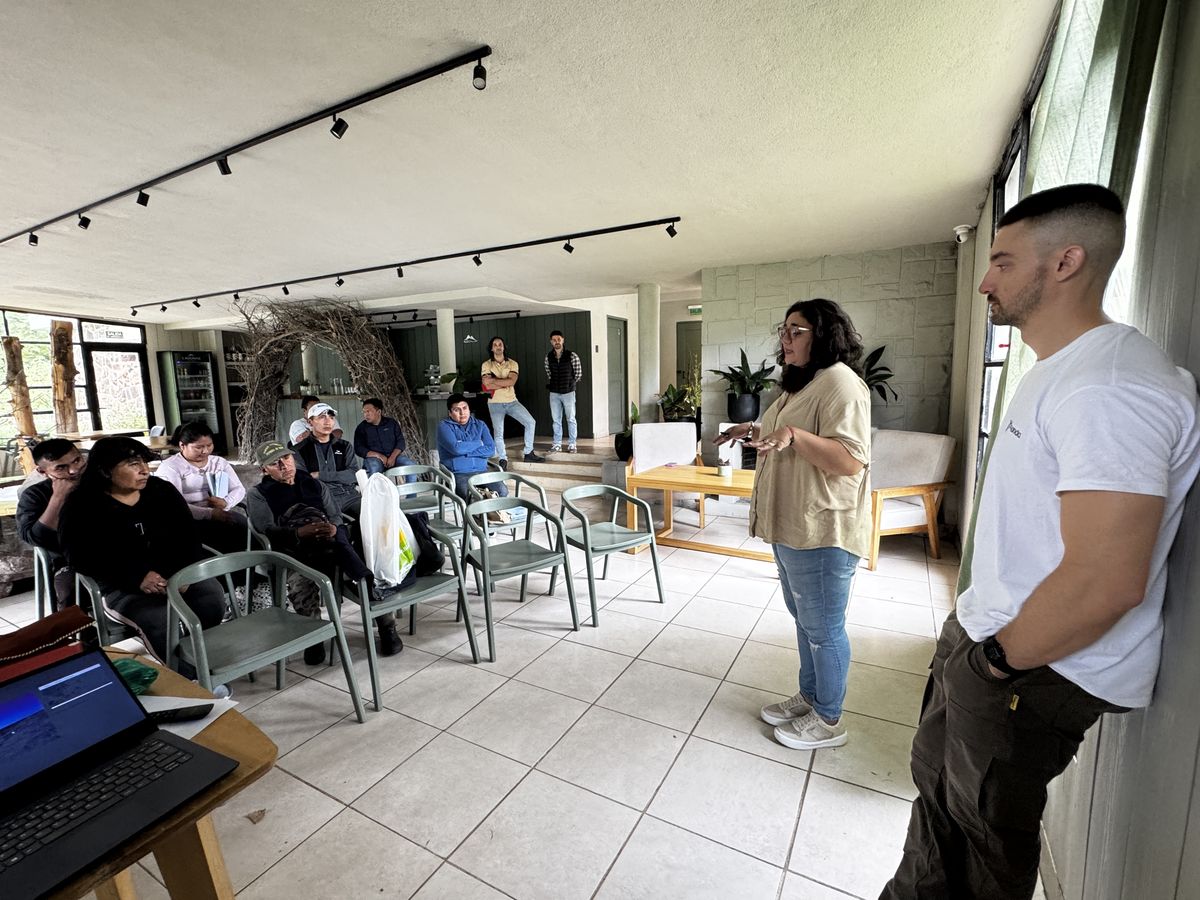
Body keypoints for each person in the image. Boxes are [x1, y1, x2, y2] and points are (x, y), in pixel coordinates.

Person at [881, 184, 1200, 900]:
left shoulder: (1110, 388)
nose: (986, 282)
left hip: (1032, 668)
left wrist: (993, 663)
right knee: (939, 801)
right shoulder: (1063, 370)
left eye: (1002, 261)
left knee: (982, 845)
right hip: (993, 638)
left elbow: (1105, 580)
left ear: (1065, 262)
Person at [715, 298, 871, 751]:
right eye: (783, 329)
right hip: (793, 526)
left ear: (823, 335)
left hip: (822, 529)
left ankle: (829, 719)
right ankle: (811, 697)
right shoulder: (804, 383)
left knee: (823, 628)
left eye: (796, 330)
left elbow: (850, 460)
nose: (785, 338)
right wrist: (751, 431)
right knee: (805, 621)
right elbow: (783, 434)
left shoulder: (841, 383)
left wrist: (794, 436)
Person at [57, 436, 226, 668]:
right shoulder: (82, 505)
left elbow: (188, 536)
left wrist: (179, 574)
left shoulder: (161, 491)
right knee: (159, 618)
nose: (144, 470)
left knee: (212, 598)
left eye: (145, 463)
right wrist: (136, 577)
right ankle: (187, 676)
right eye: (133, 464)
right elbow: (80, 556)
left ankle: (203, 660)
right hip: (122, 585)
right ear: (105, 470)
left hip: (175, 575)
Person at [246, 440, 403, 663]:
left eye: (286, 458)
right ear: (264, 470)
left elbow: (335, 515)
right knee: (301, 586)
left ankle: (387, 625)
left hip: (328, 543)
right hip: (292, 550)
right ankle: (315, 636)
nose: (284, 465)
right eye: (275, 463)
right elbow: (266, 530)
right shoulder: (259, 494)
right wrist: (299, 533)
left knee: (362, 574)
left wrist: (334, 528)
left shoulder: (313, 484)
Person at [154, 420, 248, 553]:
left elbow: (239, 489)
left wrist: (226, 502)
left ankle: (243, 563)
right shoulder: (170, 467)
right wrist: (210, 514)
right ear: (182, 445)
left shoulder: (219, 462)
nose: (205, 451)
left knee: (243, 527)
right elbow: (175, 504)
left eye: (209, 445)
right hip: (186, 517)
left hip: (219, 511)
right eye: (198, 447)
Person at [16, 438, 87, 609]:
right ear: (42, 471)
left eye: (77, 460)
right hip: (68, 561)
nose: (74, 470)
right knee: (71, 589)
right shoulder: (34, 495)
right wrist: (58, 497)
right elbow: (35, 538)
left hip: (113, 551)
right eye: (61, 468)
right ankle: (80, 628)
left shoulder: (100, 483)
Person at [481, 336, 544, 466]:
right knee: (498, 433)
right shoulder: (486, 364)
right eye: (495, 345)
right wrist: (504, 383)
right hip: (494, 403)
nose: (498, 347)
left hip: (512, 401)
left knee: (530, 422)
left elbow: (512, 381)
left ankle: (528, 453)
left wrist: (495, 381)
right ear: (491, 348)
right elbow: (487, 385)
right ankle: (502, 459)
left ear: (504, 347)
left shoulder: (512, 363)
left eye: (500, 344)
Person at [294, 402, 363, 517]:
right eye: (322, 417)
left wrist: (320, 475)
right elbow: (305, 481)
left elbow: (353, 474)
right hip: (320, 499)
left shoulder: (344, 446)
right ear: (310, 422)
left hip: (348, 496)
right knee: (331, 524)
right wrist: (339, 477)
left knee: (373, 517)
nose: (328, 421)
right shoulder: (299, 450)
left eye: (331, 417)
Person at [437, 393, 509, 502]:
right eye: (457, 410)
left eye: (464, 408)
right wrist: (479, 443)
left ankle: (490, 511)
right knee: (469, 496)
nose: (462, 413)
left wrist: (465, 450)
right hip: (458, 474)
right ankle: (474, 512)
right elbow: (456, 449)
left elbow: (491, 450)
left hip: (482, 471)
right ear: (450, 413)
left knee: (502, 491)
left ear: (469, 409)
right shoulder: (443, 426)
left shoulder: (480, 425)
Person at [354, 397, 417, 479]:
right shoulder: (361, 428)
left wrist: (392, 457)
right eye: (364, 412)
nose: (366, 414)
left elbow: (401, 442)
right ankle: (375, 488)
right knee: (373, 468)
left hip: (394, 456)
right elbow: (359, 448)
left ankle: (411, 488)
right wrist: (378, 455)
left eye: (368, 411)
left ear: (379, 412)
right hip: (374, 459)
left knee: (411, 466)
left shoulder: (391, 423)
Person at [544, 329, 582, 453]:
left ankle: (572, 444)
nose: (557, 342)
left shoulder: (572, 356)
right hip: (554, 393)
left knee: (571, 419)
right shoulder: (548, 357)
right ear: (551, 342)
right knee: (556, 420)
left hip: (568, 392)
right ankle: (557, 444)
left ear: (563, 340)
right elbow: (549, 374)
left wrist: (569, 384)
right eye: (554, 340)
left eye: (559, 339)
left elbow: (578, 375)